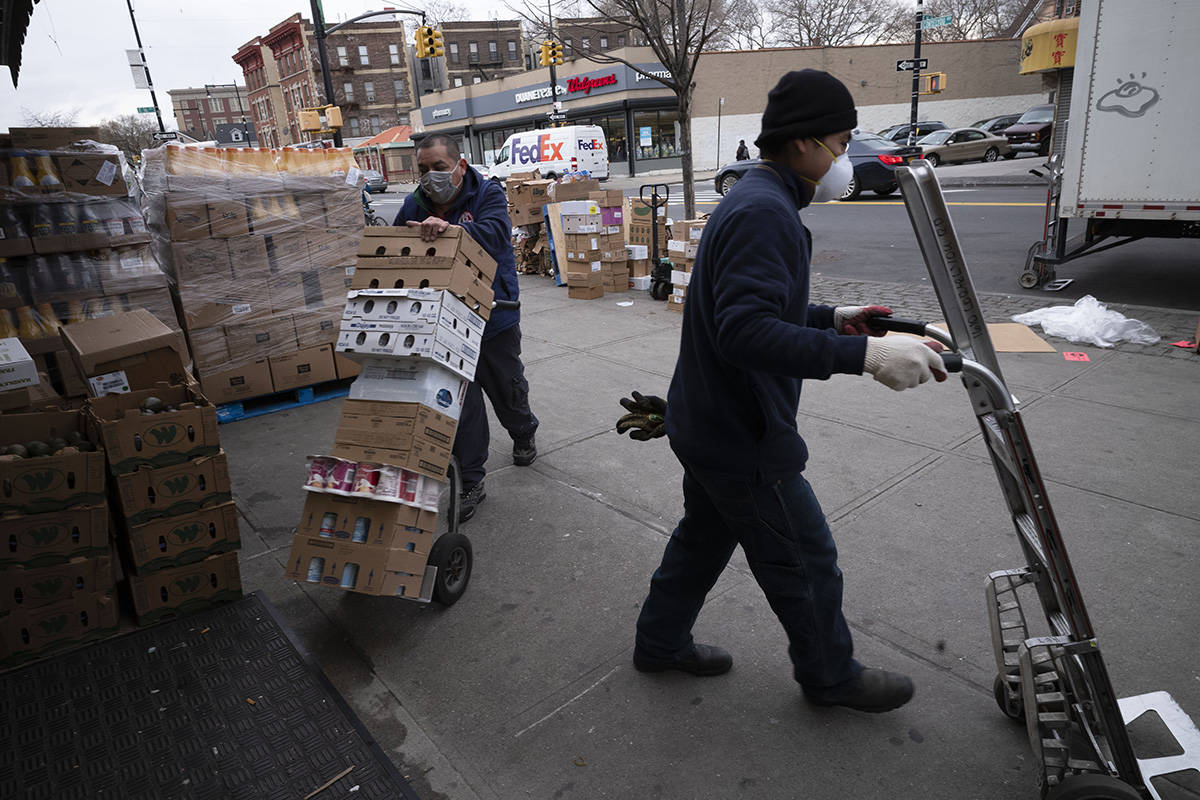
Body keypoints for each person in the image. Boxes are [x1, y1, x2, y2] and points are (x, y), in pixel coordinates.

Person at [619, 70, 947, 713]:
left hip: (708, 422)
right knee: (806, 558)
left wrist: (829, 318)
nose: (846, 156)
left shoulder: (754, 199)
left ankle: (658, 644)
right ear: (803, 144)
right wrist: (865, 353)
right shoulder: (766, 212)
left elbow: (749, 307)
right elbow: (745, 333)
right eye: (842, 140)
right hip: (742, 434)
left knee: (705, 538)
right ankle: (830, 676)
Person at [393, 134, 539, 523]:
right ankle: (472, 478)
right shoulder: (412, 205)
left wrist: (449, 230)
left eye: (438, 168)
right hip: (443, 322)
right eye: (423, 169)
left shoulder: (486, 193)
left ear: (459, 165)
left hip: (494, 316)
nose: (430, 177)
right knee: (461, 405)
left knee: (507, 388)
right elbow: (396, 255)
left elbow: (495, 236)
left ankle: (523, 430)